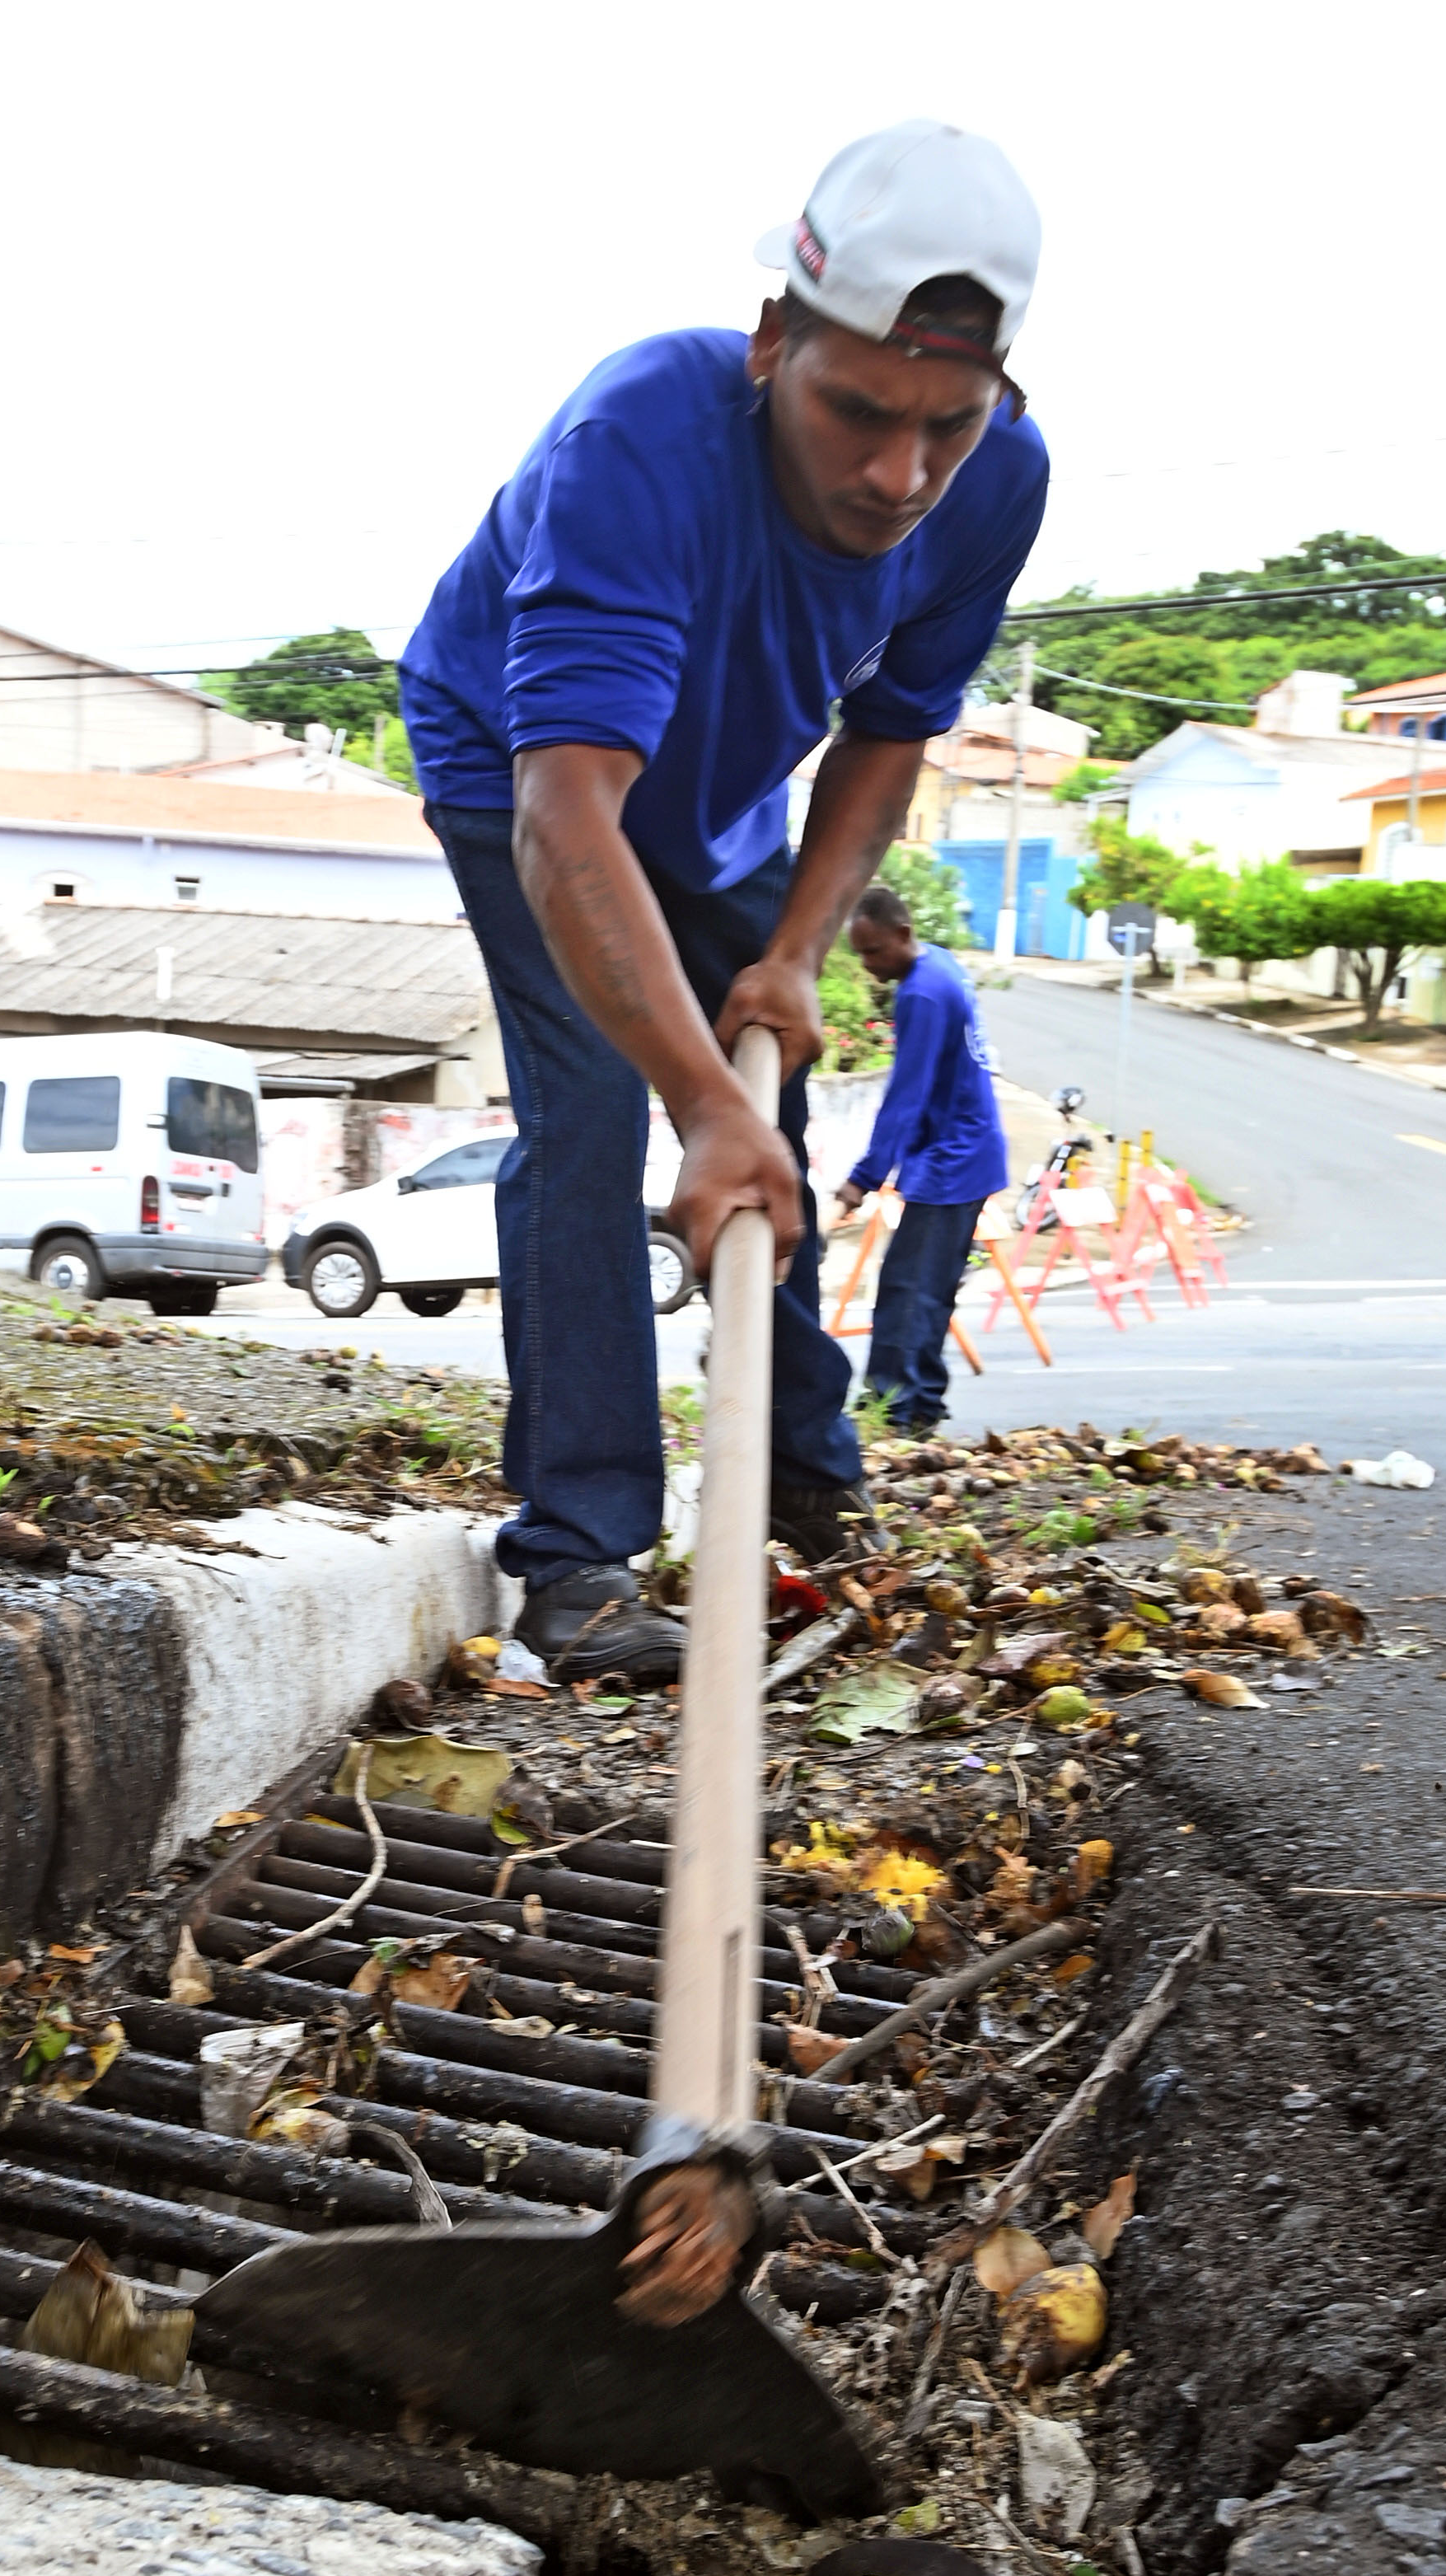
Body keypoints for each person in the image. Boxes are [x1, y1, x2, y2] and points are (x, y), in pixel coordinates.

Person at [399, 120, 1048, 1684]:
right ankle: (578, 1552)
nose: (897, 475)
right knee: (591, 1116)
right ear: (772, 345)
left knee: (772, 1109)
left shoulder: (993, 486)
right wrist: (692, 1094)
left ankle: (798, 1452)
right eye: (854, 411)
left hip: (727, 799)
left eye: (944, 427)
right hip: (522, 773)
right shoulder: (638, 434)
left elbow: (889, 735)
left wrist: (788, 957)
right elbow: (569, 819)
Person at [835, 884, 1010, 1431]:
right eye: (860, 954)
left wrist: (862, 1178)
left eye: (873, 952)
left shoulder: (921, 995)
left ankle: (895, 1411)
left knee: (907, 1292)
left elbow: (905, 1097)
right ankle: (922, 1403)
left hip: (950, 1161)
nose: (868, 966)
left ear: (903, 934)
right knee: (928, 1291)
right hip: (969, 1151)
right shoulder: (941, 964)